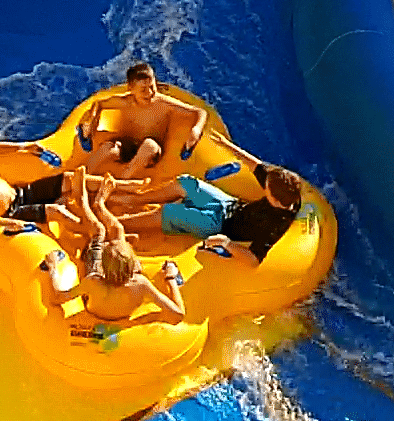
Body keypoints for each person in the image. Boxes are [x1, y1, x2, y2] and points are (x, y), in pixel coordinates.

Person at [111, 163, 305, 265]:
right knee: (187, 182)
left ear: (277, 202)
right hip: (229, 205)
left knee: (172, 212)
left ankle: (117, 223)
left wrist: (226, 243)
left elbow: (254, 260)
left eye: (267, 190)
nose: (265, 189)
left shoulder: (274, 226)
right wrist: (227, 145)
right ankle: (135, 200)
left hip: (219, 226)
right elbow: (258, 167)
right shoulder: (290, 195)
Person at [70, 169, 186, 323]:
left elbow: (59, 297)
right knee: (112, 231)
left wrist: (52, 269)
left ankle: (88, 202)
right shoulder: (141, 284)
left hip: (101, 290)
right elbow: (178, 314)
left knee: (101, 230)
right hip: (118, 286)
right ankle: (93, 203)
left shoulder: (93, 281)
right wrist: (170, 278)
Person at [77, 62, 222, 176]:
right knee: (108, 148)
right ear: (131, 89)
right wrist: (91, 122)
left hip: (152, 152)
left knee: (149, 145)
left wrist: (196, 130)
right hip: (128, 147)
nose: (150, 93)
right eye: (143, 90)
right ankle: (81, 177)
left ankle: (120, 182)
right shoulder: (124, 102)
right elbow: (98, 104)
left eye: (152, 87)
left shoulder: (163, 103)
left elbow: (199, 112)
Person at [0, 130, 82, 234]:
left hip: (22, 193)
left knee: (69, 178)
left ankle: (99, 190)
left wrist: (25, 147)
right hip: (15, 212)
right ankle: (92, 233)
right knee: (56, 211)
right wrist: (10, 222)